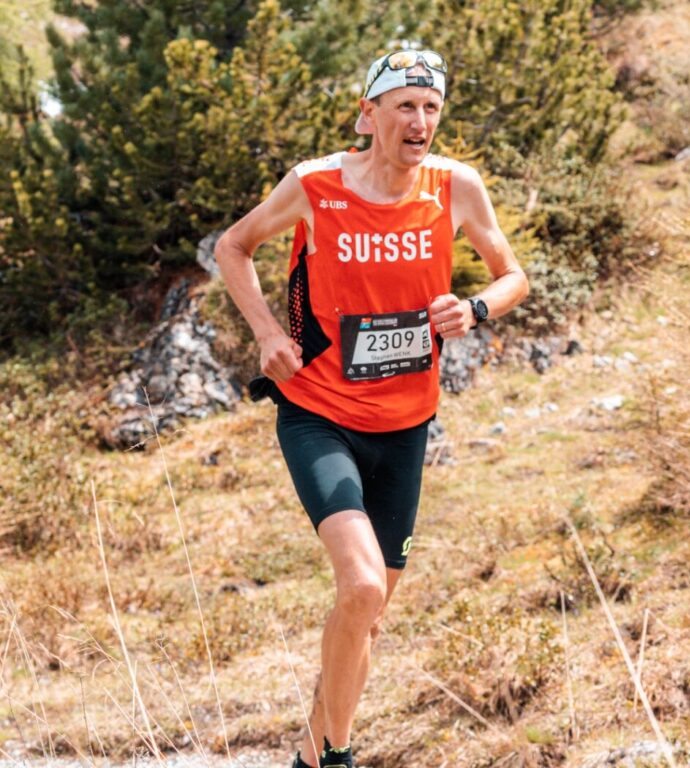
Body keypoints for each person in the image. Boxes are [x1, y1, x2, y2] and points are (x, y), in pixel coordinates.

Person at [215, 48, 529, 768]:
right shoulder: (317, 185)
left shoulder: (456, 187)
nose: (419, 122)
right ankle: (340, 758)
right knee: (359, 587)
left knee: (367, 617)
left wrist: (475, 307)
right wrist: (267, 332)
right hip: (319, 415)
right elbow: (233, 248)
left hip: (405, 427)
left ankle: (306, 755)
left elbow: (514, 275)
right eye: (405, 107)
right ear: (370, 114)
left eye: (431, 109)